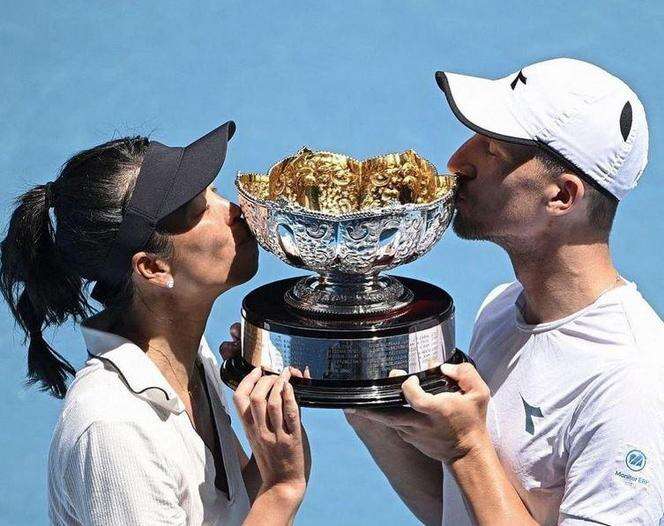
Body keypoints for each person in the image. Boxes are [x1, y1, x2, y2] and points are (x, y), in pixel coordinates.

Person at [345, 58, 664, 525]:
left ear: (562, 196)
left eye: (493, 149)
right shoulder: (501, 309)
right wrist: (364, 400)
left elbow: (470, 466)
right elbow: (458, 509)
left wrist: (466, 447)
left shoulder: (632, 383)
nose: (458, 161)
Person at [0, 122, 310, 525]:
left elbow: (231, 515)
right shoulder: (114, 427)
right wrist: (281, 489)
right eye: (199, 208)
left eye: (213, 191)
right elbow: (271, 500)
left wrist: (282, 432)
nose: (233, 209)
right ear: (152, 267)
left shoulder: (191, 363)